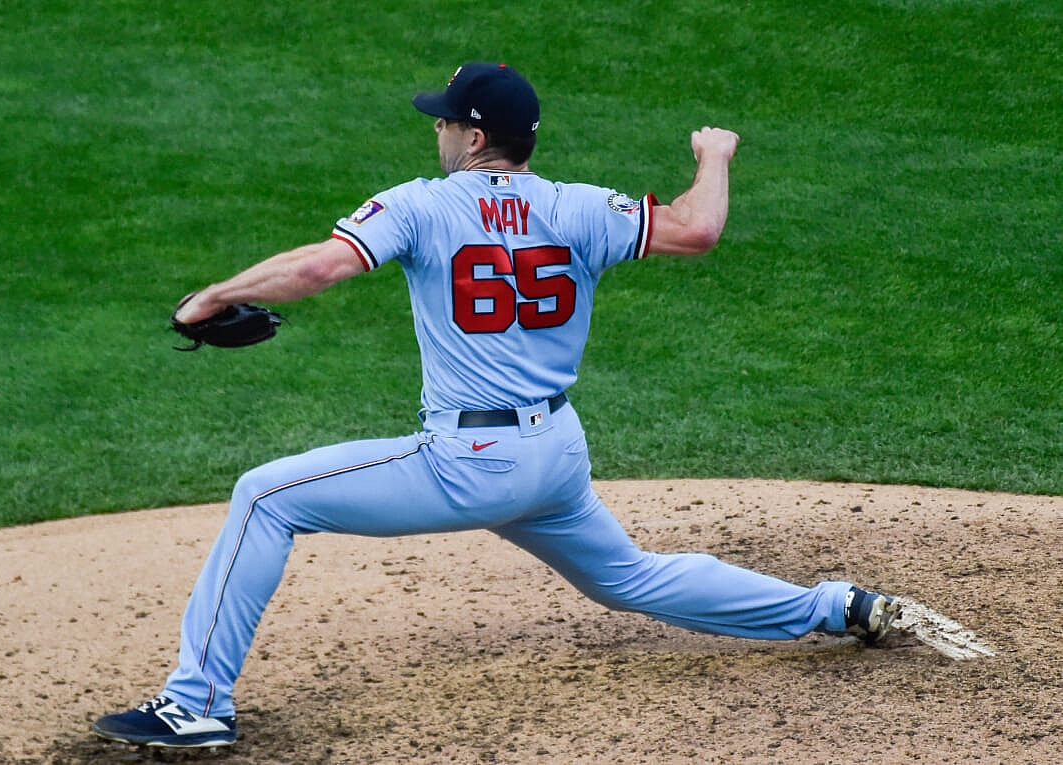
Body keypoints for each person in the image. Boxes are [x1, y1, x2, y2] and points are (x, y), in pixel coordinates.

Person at [92, 62, 900, 748]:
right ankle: (832, 605)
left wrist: (211, 296)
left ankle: (196, 703)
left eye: (446, 121)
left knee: (265, 496)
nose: (437, 131)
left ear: (475, 139)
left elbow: (318, 268)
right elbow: (698, 228)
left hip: (469, 463)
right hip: (555, 455)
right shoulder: (580, 206)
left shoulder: (423, 204)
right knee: (631, 576)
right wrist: (715, 154)